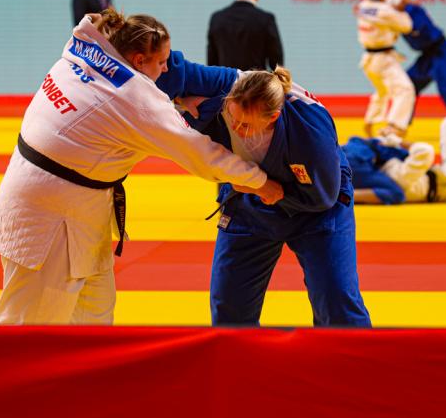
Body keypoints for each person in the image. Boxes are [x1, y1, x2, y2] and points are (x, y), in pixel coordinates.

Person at [0, 10, 283, 325]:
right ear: (139, 60)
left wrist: (177, 102)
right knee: (28, 325)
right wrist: (260, 181)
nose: (168, 69)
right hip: (50, 218)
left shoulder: (84, 51)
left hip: (68, 206)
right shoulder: (134, 98)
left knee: (93, 316)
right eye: (162, 62)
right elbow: (200, 153)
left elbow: (107, 106)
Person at [155, 61, 371, 327]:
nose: (236, 128)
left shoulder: (311, 133)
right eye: (232, 117)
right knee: (229, 307)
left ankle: (350, 352)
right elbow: (165, 66)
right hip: (249, 202)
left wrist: (271, 190)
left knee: (337, 302)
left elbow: (322, 197)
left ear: (273, 118)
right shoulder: (222, 84)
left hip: (318, 209)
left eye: (245, 125)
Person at [386, 0, 446, 123]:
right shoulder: (393, 16)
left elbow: (417, 28)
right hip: (427, 56)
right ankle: (399, 125)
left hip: (442, 52)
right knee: (408, 85)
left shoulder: (413, 10)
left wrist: (405, 7)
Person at [355, 0, 415, 139]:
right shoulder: (386, 11)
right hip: (383, 59)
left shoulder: (363, 5)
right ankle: (394, 127)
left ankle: (370, 121)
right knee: (405, 89)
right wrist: (400, 8)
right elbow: (407, 26)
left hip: (368, 59)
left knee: (383, 91)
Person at [207, 0, 284, 70]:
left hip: (227, 80)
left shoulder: (217, 19)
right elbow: (277, 65)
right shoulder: (266, 20)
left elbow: (212, 66)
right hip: (256, 80)